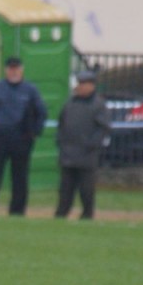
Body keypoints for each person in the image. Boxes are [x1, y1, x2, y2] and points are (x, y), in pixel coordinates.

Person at [0, 56, 47, 216]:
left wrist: (35, 133)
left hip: (21, 139)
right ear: (6, 70)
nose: (13, 72)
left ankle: (17, 211)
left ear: (21, 70)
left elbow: (41, 112)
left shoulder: (30, 90)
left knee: (20, 178)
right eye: (11, 68)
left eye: (16, 69)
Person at [54, 70, 111, 221]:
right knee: (65, 188)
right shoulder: (70, 103)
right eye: (79, 83)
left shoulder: (98, 105)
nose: (79, 87)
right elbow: (61, 124)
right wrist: (61, 142)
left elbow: (103, 128)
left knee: (86, 189)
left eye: (83, 84)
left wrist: (91, 144)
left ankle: (87, 214)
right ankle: (61, 214)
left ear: (91, 86)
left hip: (87, 155)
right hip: (68, 153)